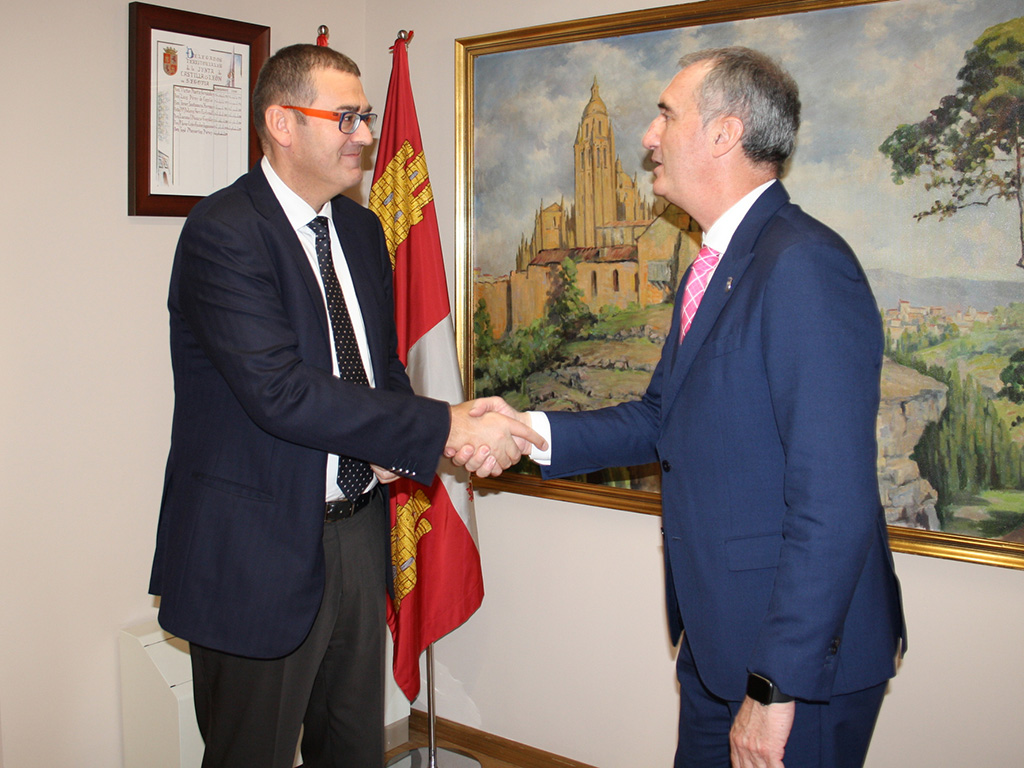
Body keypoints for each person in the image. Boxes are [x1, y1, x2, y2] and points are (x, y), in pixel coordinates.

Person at [459, 47, 905, 768]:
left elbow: (835, 502)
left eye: (666, 114)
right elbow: (658, 416)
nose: (647, 136)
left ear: (725, 133)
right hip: (719, 642)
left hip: (790, 668)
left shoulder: (801, 265)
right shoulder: (723, 263)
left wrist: (774, 684)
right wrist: (528, 430)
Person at [149, 43, 544, 768]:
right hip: (254, 550)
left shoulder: (361, 232)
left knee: (353, 747)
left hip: (359, 535)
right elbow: (283, 392)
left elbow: (378, 370)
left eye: (365, 116)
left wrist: (412, 443)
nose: (364, 134)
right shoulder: (223, 233)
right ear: (281, 122)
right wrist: (443, 425)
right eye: (347, 117)